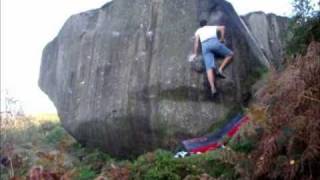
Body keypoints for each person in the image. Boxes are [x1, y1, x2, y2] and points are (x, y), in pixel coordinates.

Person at [191, 20, 234, 95]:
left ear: (200, 25)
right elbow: (223, 27)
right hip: (214, 42)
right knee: (230, 54)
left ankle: (212, 87)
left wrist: (194, 53)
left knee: (209, 67)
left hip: (205, 46)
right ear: (206, 24)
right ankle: (220, 69)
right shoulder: (211, 27)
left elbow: (196, 43)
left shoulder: (198, 31)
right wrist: (222, 39)